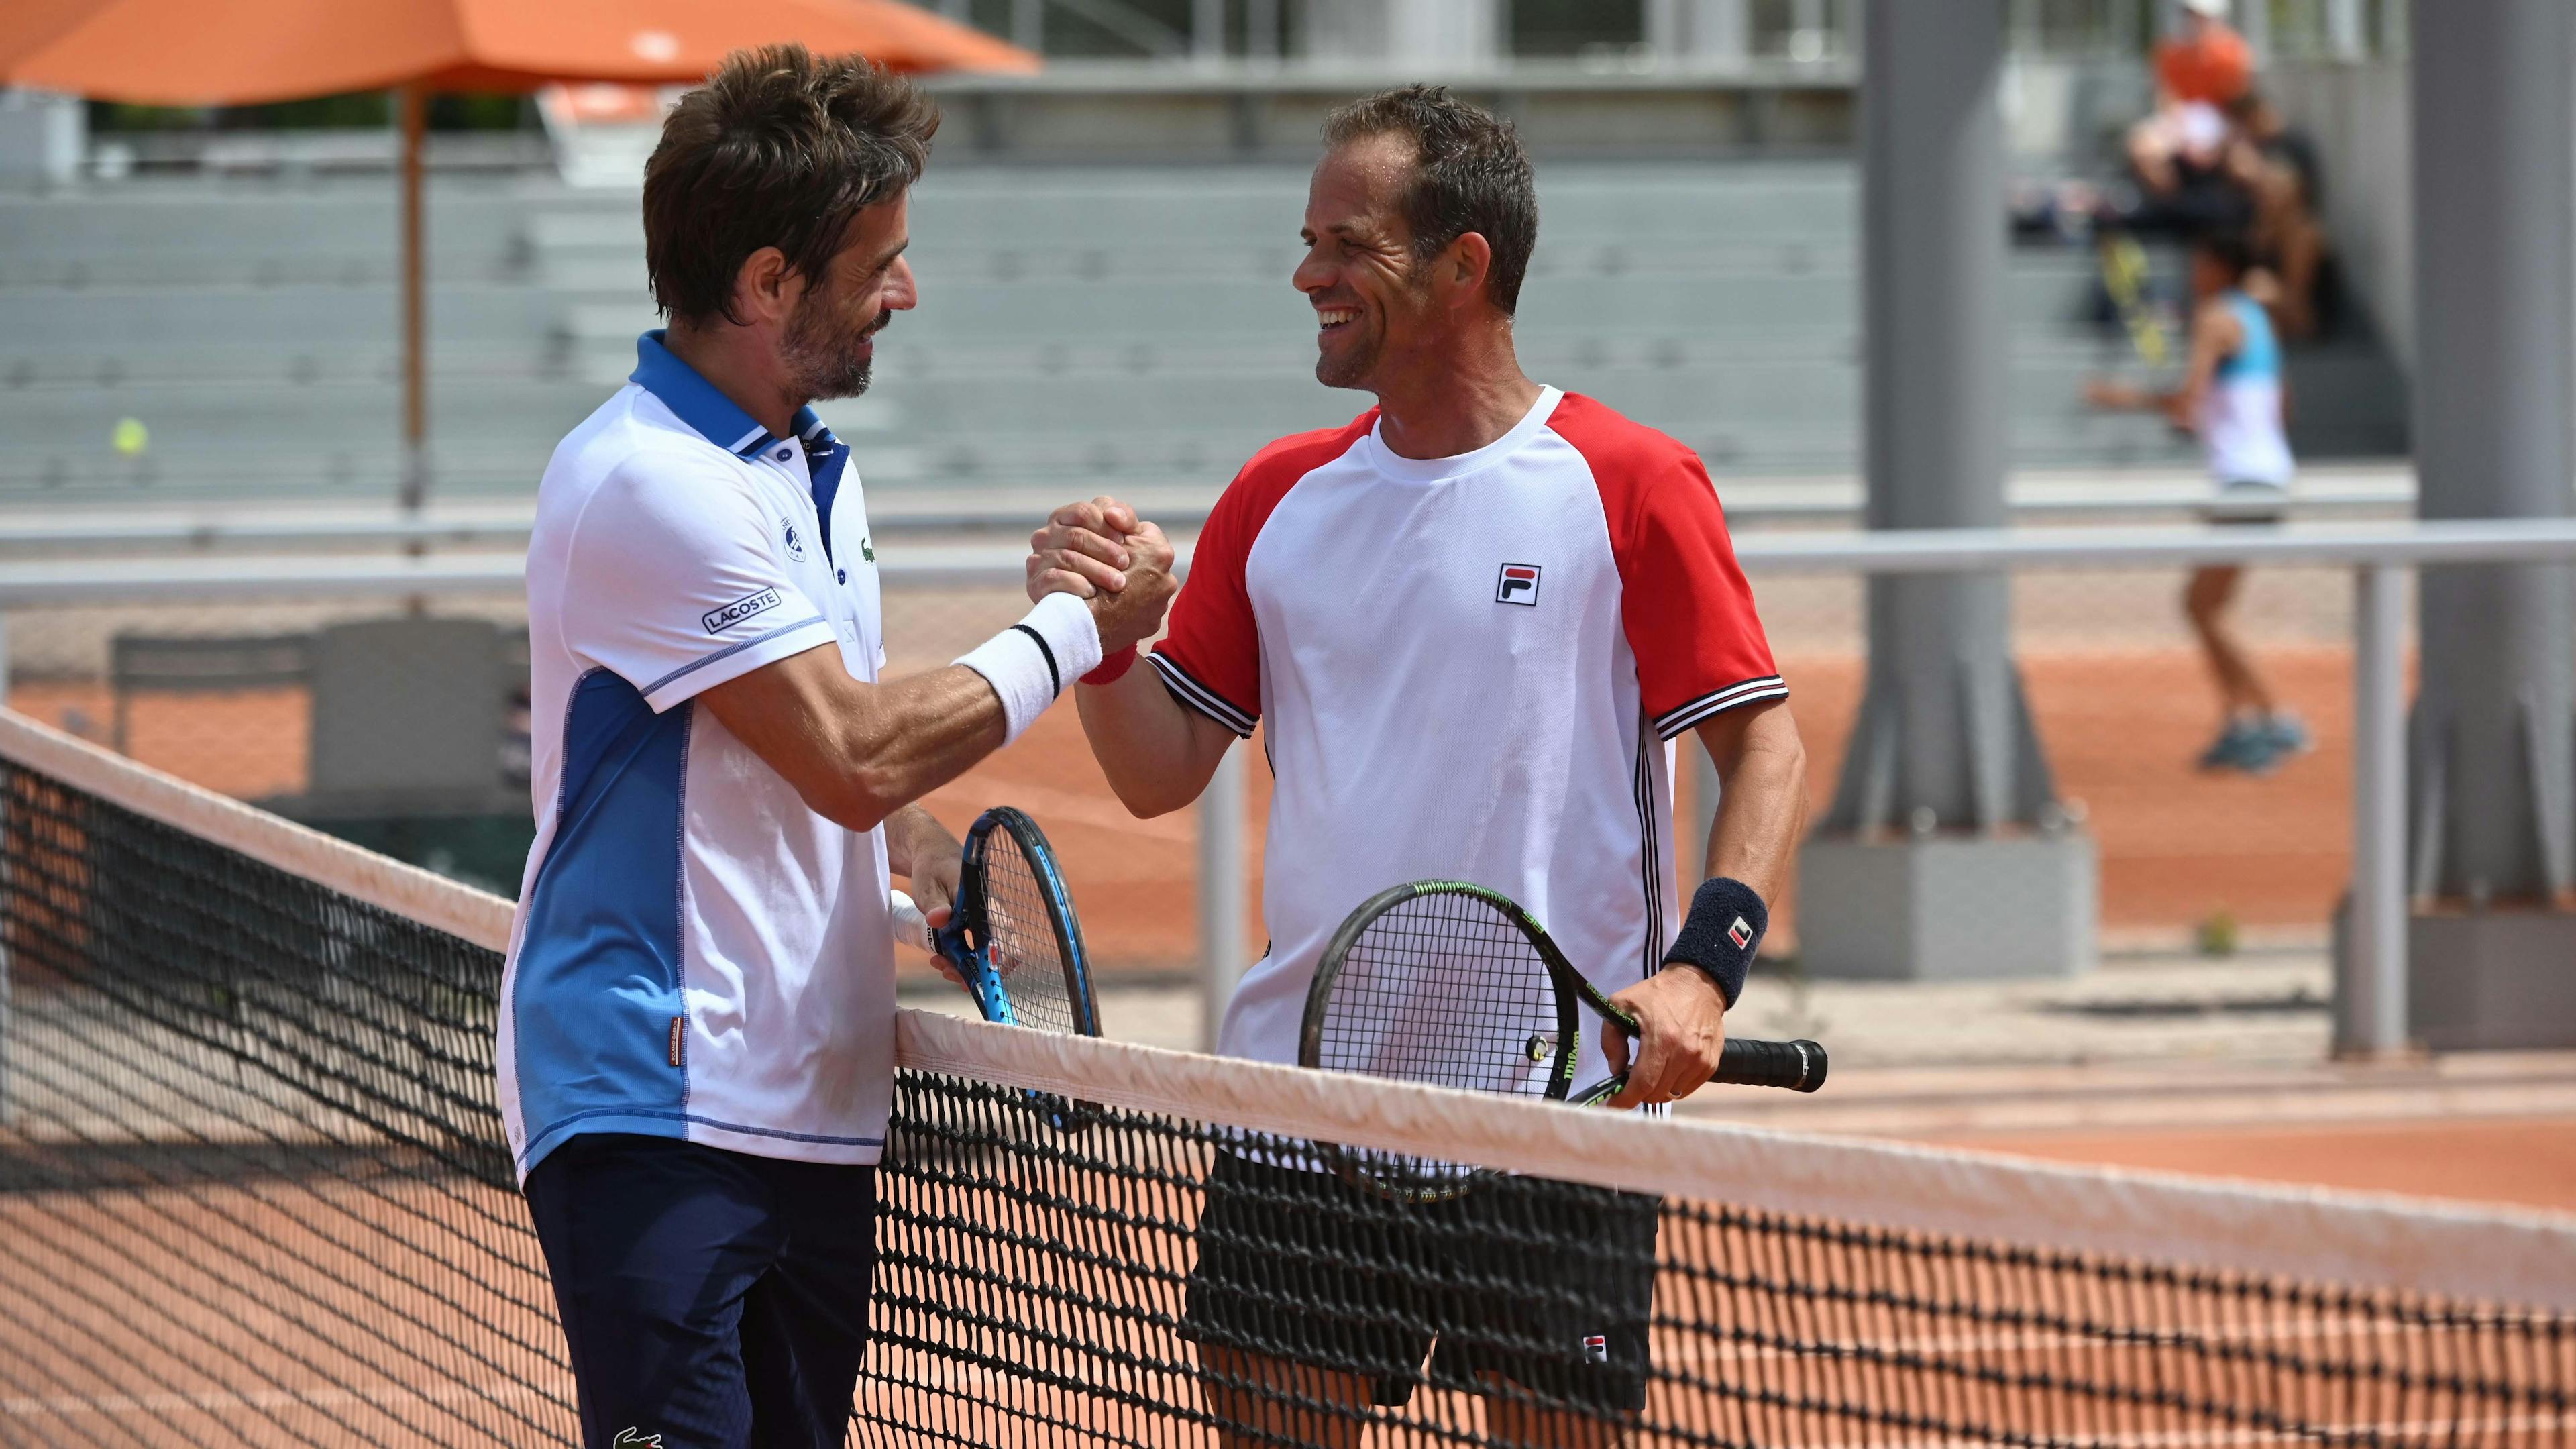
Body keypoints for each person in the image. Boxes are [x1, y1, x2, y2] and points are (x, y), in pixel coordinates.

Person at [1026, 87, 1809, 1446]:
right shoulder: (1277, 496)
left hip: (1561, 1119)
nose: (1308, 274)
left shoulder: (1628, 480)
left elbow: (1767, 744)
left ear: (1464, 265)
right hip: (1303, 1113)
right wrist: (1098, 642)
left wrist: (1705, 968)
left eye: (1349, 243)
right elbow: (1159, 770)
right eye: (1310, 240)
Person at [499, 46, 1173, 1449]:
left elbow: (798, 766)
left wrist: (910, 854)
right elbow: (852, 752)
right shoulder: (650, 484)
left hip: (810, 1108)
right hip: (657, 1100)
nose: (904, 293)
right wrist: (1072, 629)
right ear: (764, 285)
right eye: (880, 263)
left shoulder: (806, 466)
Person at [2086, 231, 2306, 775]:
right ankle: (2242, 720)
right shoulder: (2259, 320)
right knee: (2206, 607)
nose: (2191, 270)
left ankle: (2274, 717)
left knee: (2201, 608)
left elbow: (2189, 400)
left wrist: (2124, 399)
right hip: (2266, 478)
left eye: (2199, 261)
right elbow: (2280, 407)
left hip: (2244, 482)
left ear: (2218, 265)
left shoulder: (2213, 318)